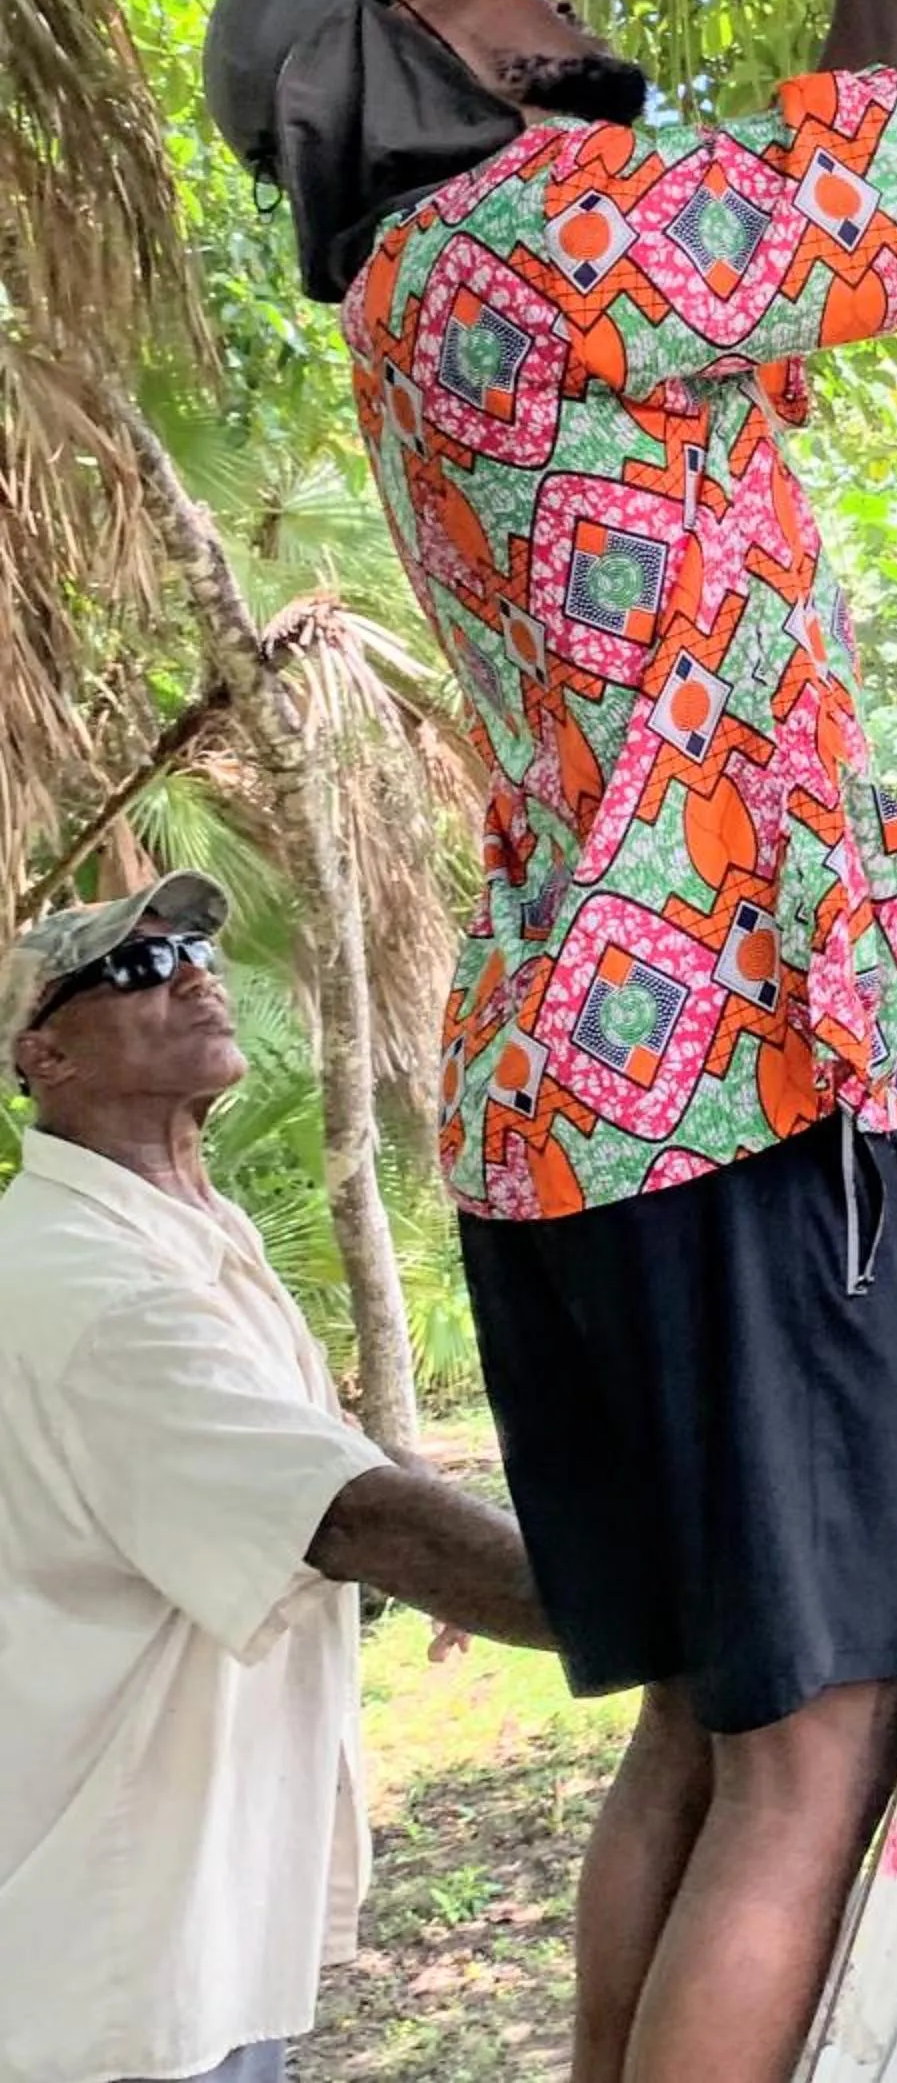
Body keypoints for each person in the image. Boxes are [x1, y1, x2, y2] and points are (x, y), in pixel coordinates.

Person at [199, 0, 897, 2083]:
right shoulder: (541, 240)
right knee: (810, 1741)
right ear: (396, 56)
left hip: (579, 1104)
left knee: (696, 1717)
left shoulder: (449, 296)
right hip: (722, 1073)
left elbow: (864, 133)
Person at [0, 872, 552, 2083]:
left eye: (192, 949)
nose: (193, 975)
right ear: (44, 1055)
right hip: (110, 1966)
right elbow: (347, 1516)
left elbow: (330, 1454)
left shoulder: (187, 1235)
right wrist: (633, 1608)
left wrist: (501, 1558)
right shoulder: (90, 1287)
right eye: (136, 970)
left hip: (185, 1918)